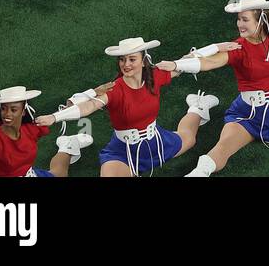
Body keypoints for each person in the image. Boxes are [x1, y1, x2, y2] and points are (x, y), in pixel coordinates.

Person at [159, 0, 269, 177]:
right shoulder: (238, 48)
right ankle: (198, 172)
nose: (239, 24)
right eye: (238, 19)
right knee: (223, 146)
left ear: (260, 20)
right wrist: (177, 65)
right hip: (247, 114)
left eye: (245, 19)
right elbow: (208, 63)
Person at [35, 38, 219, 177]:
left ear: (144, 61)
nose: (126, 64)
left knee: (189, 138)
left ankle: (197, 107)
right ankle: (68, 146)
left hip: (156, 140)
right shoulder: (115, 88)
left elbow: (185, 62)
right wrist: (55, 117)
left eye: (132, 59)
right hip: (122, 151)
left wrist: (217, 47)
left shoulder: (155, 77)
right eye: (123, 60)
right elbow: (88, 107)